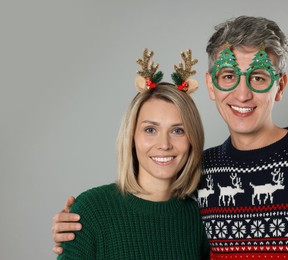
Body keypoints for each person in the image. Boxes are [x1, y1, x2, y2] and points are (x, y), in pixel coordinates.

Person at [52, 16, 288, 259]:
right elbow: (147, 214)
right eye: (229, 76)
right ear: (212, 86)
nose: (242, 94)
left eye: (258, 77)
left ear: (280, 86)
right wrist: (81, 220)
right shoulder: (200, 174)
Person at [53, 48, 210, 259]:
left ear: (193, 139)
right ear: (132, 137)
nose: (164, 144)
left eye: (178, 130)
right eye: (150, 130)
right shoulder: (91, 210)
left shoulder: (200, 219)